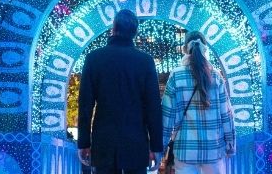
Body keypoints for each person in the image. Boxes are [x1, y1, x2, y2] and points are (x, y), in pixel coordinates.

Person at [77, 9, 163, 174]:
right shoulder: (145, 61)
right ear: (135, 32)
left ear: (113, 28)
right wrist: (156, 146)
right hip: (136, 141)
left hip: (104, 140)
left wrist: (84, 142)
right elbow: (153, 107)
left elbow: (85, 104)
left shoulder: (94, 58)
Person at [161, 32, 236, 174]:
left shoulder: (176, 76)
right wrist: (231, 144)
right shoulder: (216, 76)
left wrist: (161, 147)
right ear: (205, 49)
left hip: (185, 150)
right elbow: (226, 114)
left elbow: (166, 116)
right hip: (214, 149)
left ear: (184, 49)